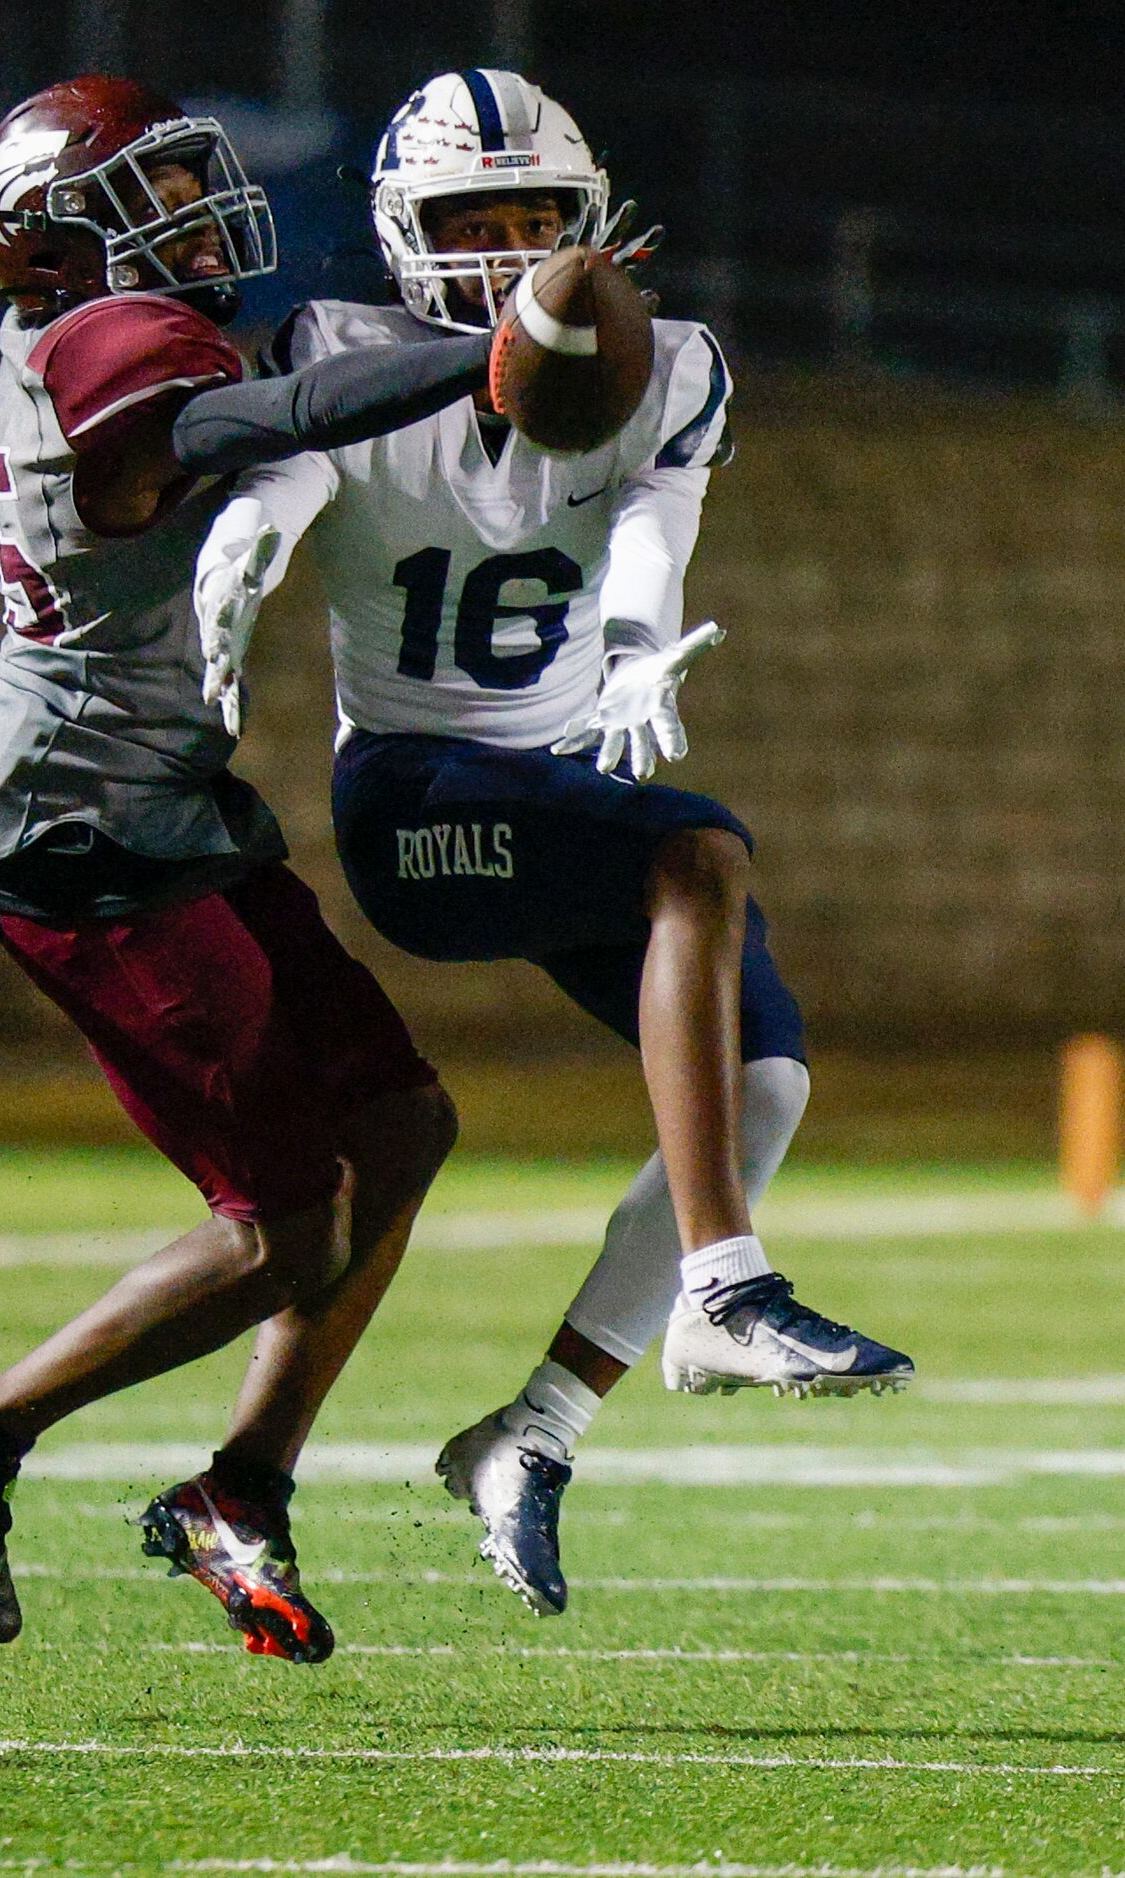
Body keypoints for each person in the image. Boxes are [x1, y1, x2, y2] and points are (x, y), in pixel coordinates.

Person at [193, 68, 912, 1620]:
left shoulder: (665, 366)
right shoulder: (344, 353)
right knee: (699, 860)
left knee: (761, 1078)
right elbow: (299, 464)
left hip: (559, 782)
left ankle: (537, 1428)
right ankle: (724, 1285)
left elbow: (654, 516)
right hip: (415, 798)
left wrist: (641, 637)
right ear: (403, 234)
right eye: (472, 223)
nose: (506, 252)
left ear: (590, 230)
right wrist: (243, 543)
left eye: (533, 222)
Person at [0, 73, 514, 1664]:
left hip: (162, 800)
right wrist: (494, 362)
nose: (187, 218)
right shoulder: (102, 349)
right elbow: (265, 418)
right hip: (88, 843)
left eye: (180, 186)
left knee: (401, 1120)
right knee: (277, 1227)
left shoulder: (92, 332)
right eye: (145, 198)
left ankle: (238, 1485)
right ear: (56, 241)